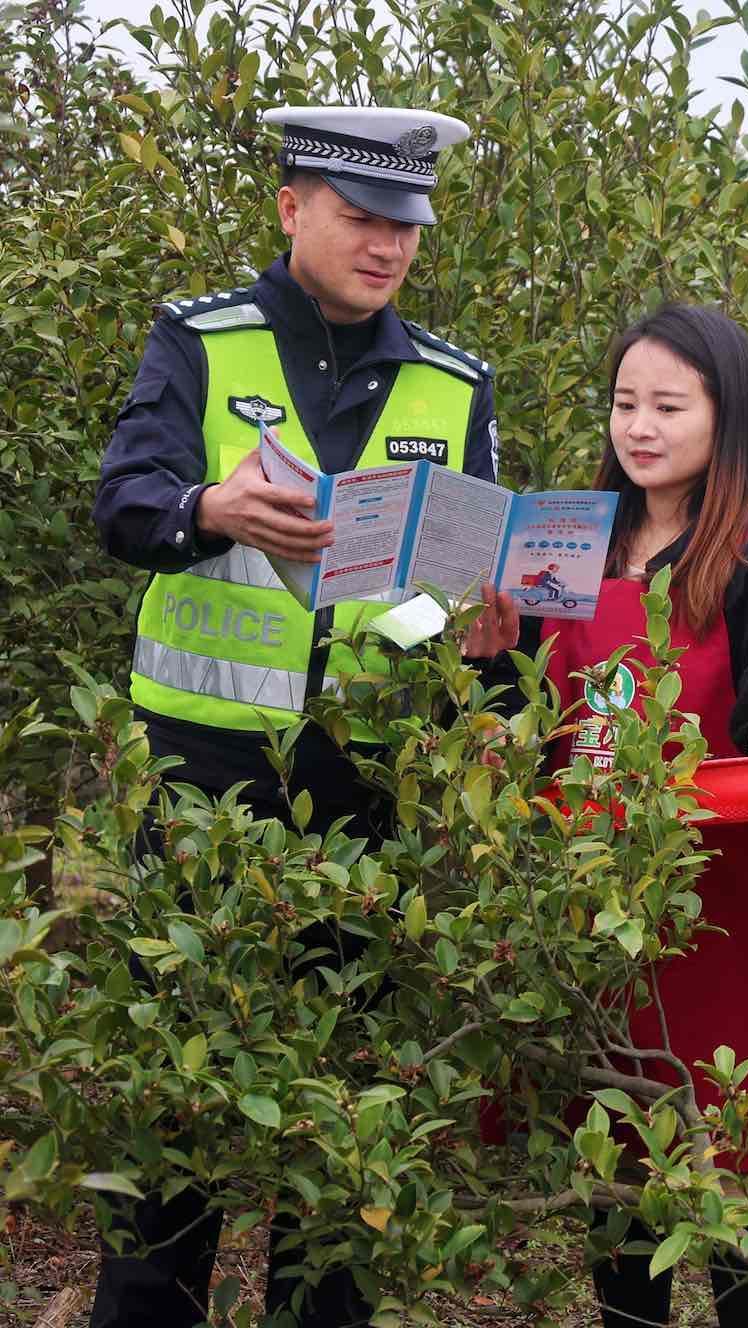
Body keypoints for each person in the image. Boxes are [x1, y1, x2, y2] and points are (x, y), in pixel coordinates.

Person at [90, 105, 515, 1328]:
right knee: (173, 1116)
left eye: (407, 227)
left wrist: (492, 635)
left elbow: (464, 600)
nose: (387, 245)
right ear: (291, 207)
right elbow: (125, 506)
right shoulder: (202, 344)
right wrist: (209, 508)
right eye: (360, 217)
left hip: (364, 796)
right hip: (198, 783)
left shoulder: (454, 382)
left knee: (343, 1128)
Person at [539, 304, 748, 1328]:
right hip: (603, 913)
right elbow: (518, 708)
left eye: (668, 406)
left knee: (742, 1198)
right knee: (618, 1195)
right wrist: (479, 649)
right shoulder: (566, 547)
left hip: (732, 913)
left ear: (728, 422)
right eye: (626, 402)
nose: (640, 426)